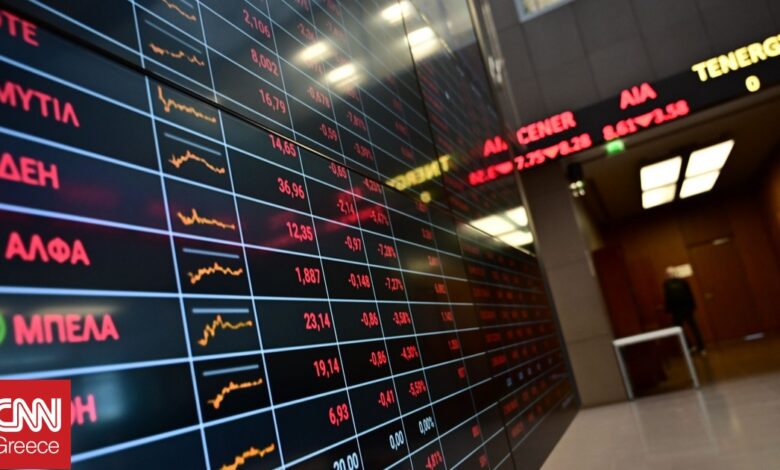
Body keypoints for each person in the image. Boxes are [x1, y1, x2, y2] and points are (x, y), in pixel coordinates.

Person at [663, 267, 706, 354]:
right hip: (687, 308)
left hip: (676, 311)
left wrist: (668, 310)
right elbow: (690, 294)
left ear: (667, 274)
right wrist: (693, 306)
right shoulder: (683, 282)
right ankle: (702, 348)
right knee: (694, 328)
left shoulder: (666, 284)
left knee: (678, 329)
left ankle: (690, 346)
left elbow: (668, 298)